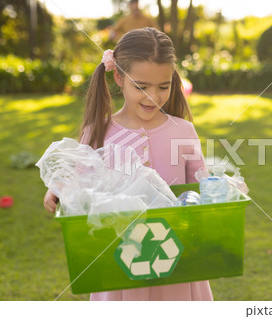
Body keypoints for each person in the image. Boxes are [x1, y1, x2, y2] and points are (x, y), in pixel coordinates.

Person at [43, 27, 213, 301]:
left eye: (163, 87)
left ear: (173, 80)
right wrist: (58, 188)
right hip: (120, 258)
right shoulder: (99, 131)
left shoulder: (182, 131)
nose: (153, 97)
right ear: (119, 78)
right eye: (141, 87)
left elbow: (201, 188)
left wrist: (224, 189)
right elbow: (81, 182)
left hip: (175, 256)